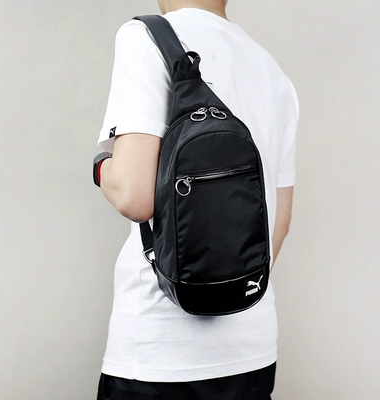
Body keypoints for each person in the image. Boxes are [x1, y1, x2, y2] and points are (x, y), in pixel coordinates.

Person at [96, 0, 298, 398]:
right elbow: (279, 222)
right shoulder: (271, 69)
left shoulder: (148, 36)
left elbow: (134, 197)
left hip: (161, 353)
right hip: (252, 348)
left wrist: (102, 165)